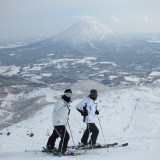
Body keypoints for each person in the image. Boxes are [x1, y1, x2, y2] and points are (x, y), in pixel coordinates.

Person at [46, 89, 73, 155]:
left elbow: (62, 112)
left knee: (55, 134)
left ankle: (50, 146)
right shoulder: (60, 102)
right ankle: (62, 150)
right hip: (59, 122)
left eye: (70, 95)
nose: (69, 96)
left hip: (61, 122)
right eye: (67, 94)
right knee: (65, 137)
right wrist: (66, 109)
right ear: (64, 94)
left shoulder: (66, 103)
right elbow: (56, 111)